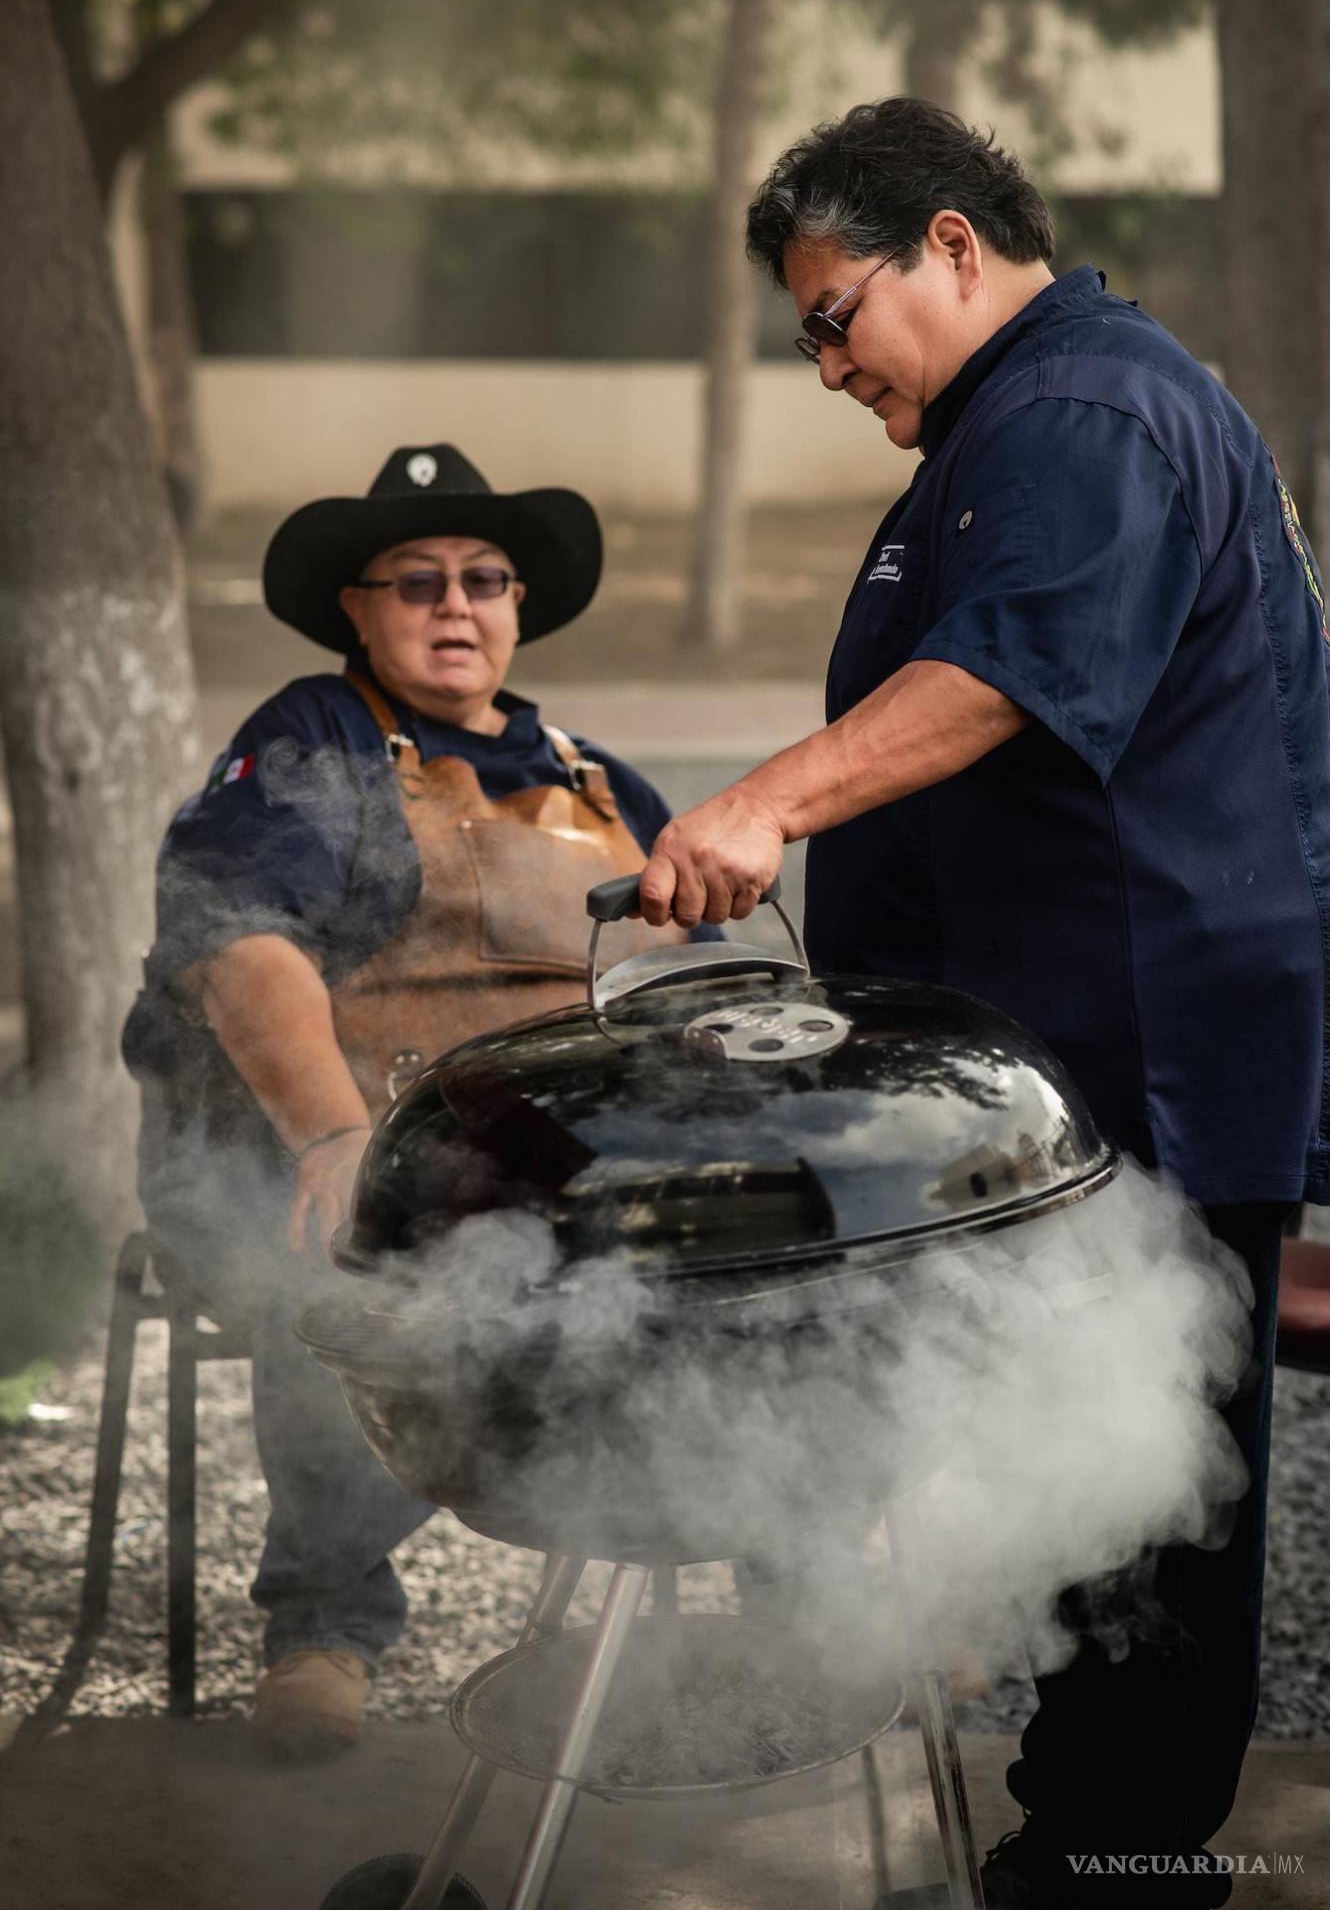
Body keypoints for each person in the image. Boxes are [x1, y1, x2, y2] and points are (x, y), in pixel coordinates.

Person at [635, 98, 1330, 1908]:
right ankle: (1074, 1818)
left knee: (1155, 1474)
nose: (821, 363)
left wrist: (758, 803)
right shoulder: (1015, 418)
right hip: (1060, 1044)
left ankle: (1113, 1860)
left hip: (1142, 1037)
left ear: (950, 243)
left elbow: (1013, 672)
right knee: (1080, 1452)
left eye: (829, 314)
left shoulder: (1080, 408)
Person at [123, 443, 687, 1757]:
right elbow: (236, 941)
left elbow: (689, 992)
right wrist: (332, 1137)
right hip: (339, 1155)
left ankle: (790, 1589)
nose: (455, 603)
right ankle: (324, 1619)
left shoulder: (598, 778)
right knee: (363, 1248)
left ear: (518, 605)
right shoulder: (310, 743)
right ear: (356, 613)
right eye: (417, 580)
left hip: (566, 1179)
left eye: (483, 579)